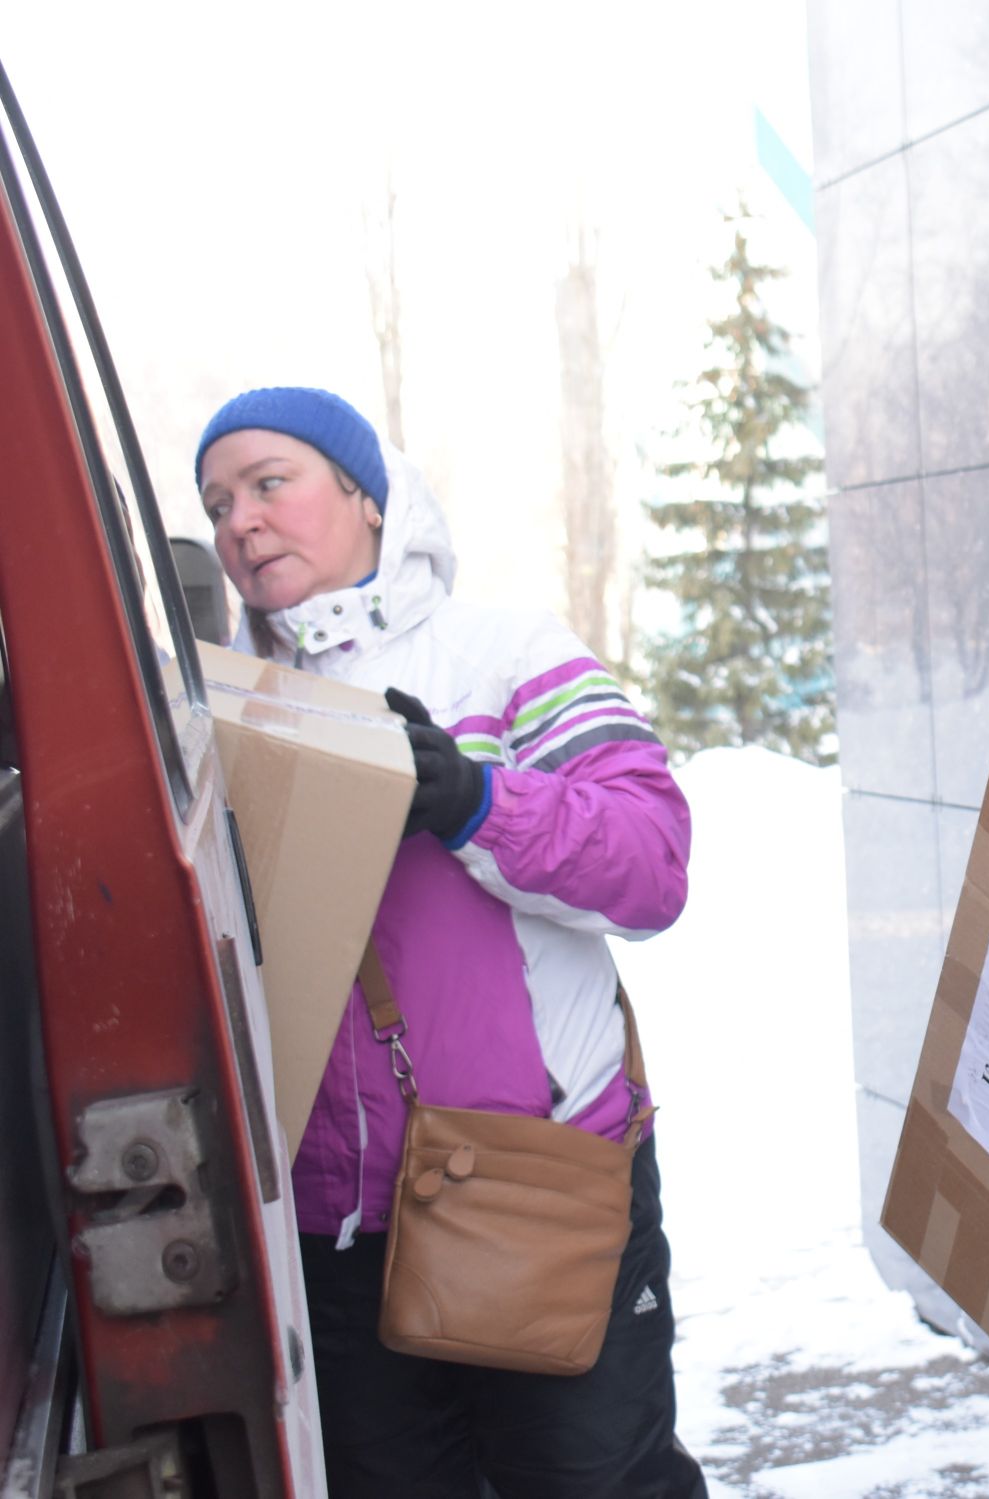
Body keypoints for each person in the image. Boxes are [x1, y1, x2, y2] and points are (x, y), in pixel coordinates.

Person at [195, 387, 708, 1499]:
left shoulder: (504, 652)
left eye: (269, 482)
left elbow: (652, 860)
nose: (240, 520)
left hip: (534, 1190)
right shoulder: (221, 708)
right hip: (336, 1235)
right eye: (218, 501)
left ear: (369, 498)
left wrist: (478, 799)